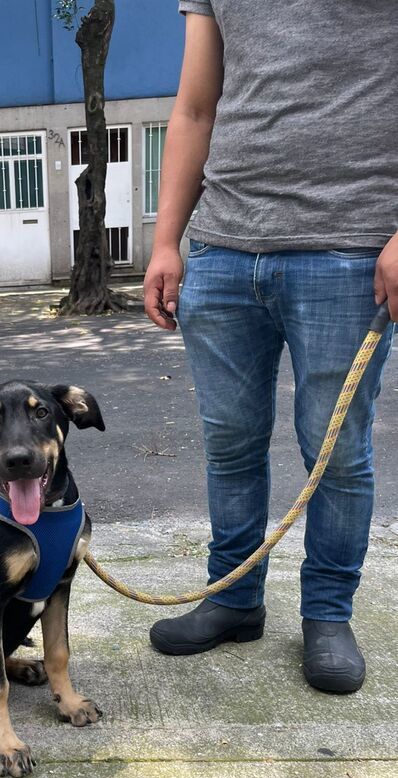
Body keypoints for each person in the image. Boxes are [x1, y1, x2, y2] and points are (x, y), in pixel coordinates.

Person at [144, 1, 398, 693]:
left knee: (337, 451)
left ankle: (327, 614)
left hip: (349, 249)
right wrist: (168, 240)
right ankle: (233, 598)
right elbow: (196, 108)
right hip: (223, 252)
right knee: (229, 442)